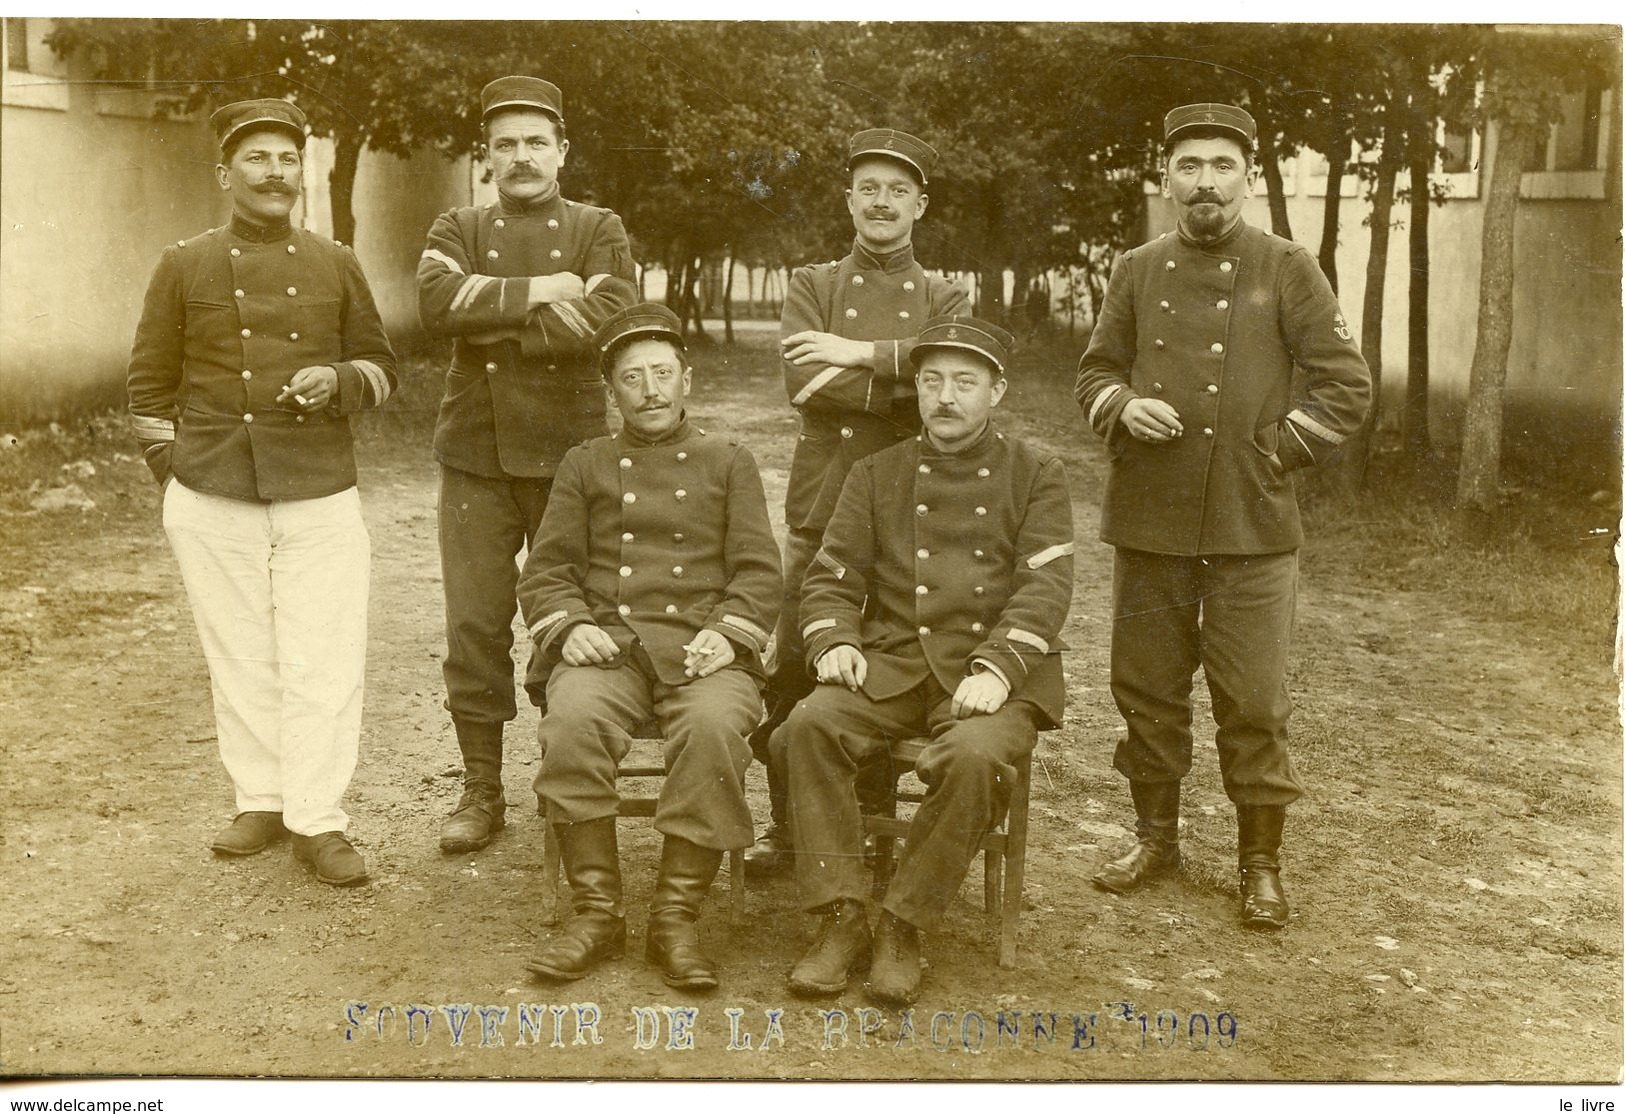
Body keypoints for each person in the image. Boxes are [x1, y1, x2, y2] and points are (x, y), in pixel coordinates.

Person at [1073, 103, 1371, 929]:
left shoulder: (1287, 267)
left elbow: (1344, 385)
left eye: (1220, 165)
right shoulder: (1136, 268)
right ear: (1165, 179)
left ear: (1245, 176)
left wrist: (1273, 451)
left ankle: (1259, 864)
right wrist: (1122, 406)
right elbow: (1093, 371)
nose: (1204, 181)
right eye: (1188, 166)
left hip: (1251, 527)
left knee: (1253, 701)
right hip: (1150, 522)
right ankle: (1154, 839)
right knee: (1145, 690)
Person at [127, 98, 397, 886]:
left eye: (287, 159)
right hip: (212, 489)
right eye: (258, 159)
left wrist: (341, 379)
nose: (275, 173)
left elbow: (382, 368)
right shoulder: (185, 263)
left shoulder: (335, 261)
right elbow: (147, 386)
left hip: (316, 487)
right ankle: (262, 799)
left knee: (324, 655)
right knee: (240, 652)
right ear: (226, 174)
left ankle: (319, 820)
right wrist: (176, 479)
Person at [777, 316, 1073, 1006]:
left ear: (995, 390)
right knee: (805, 729)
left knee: (972, 757)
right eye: (932, 381)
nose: (945, 396)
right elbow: (830, 577)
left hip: (995, 673)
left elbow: (1046, 585)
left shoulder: (1036, 472)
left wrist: (997, 667)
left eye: (964, 382)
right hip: (892, 663)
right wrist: (835, 640)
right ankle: (841, 917)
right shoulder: (875, 472)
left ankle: (904, 924)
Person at [516, 304, 781, 990]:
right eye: (632, 378)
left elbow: (758, 570)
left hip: (704, 650)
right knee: (572, 721)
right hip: (613, 649)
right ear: (612, 394)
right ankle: (597, 914)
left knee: (717, 727)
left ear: (686, 379)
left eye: (663, 373)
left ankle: (674, 920)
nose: (651, 390)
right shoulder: (586, 463)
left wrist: (727, 635)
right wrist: (571, 626)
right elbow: (547, 569)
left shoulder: (729, 461)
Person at [417, 75, 638, 855]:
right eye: (504, 144)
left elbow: (606, 320)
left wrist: (494, 321)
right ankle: (481, 791)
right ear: (486, 157)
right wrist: (543, 289)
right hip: (474, 455)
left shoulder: (597, 226)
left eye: (535, 142)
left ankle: (561, 772)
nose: (521, 157)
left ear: (562, 151)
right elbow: (437, 303)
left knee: (566, 616)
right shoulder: (458, 222)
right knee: (475, 625)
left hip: (570, 461)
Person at [744, 128, 970, 878]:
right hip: (825, 496)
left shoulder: (944, 293)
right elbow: (803, 384)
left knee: (886, 663)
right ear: (848, 199)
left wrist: (854, 353)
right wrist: (901, 382)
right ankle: (787, 826)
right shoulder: (811, 282)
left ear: (920, 205)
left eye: (897, 191)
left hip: (915, 506)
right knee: (795, 669)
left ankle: (870, 832)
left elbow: (948, 380)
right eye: (868, 188)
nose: (881, 203)